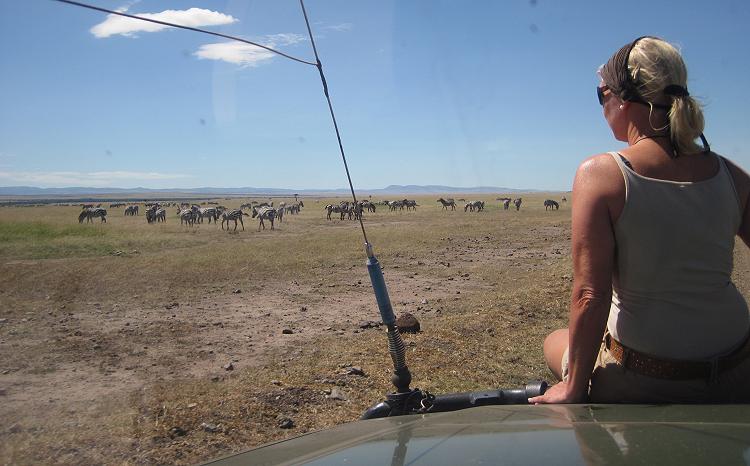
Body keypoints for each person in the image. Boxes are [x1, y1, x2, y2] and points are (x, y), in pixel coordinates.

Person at [529, 36, 750, 404]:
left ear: (623, 99)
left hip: (645, 376)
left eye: (602, 95)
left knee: (553, 340)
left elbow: (590, 295)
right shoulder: (731, 174)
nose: (602, 106)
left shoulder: (603, 173)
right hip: (737, 370)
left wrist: (574, 387)